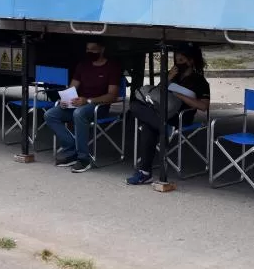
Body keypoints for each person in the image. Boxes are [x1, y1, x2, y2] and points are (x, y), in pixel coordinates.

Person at [126, 44, 211, 185]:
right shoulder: (173, 75)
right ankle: (164, 129)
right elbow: (157, 93)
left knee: (148, 127)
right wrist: (168, 78)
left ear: (191, 61)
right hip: (161, 112)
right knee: (134, 106)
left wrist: (180, 95)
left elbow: (203, 106)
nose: (178, 63)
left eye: (182, 60)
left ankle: (145, 172)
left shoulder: (200, 82)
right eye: (176, 60)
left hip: (181, 117)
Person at [45, 41, 123, 174]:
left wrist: (88, 101)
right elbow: (73, 86)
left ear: (102, 49)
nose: (90, 52)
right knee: (50, 115)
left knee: (79, 113)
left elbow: (112, 96)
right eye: (87, 49)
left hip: (99, 106)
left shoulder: (111, 67)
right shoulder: (83, 65)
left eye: (93, 49)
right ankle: (71, 150)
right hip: (79, 103)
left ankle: (84, 158)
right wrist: (65, 99)